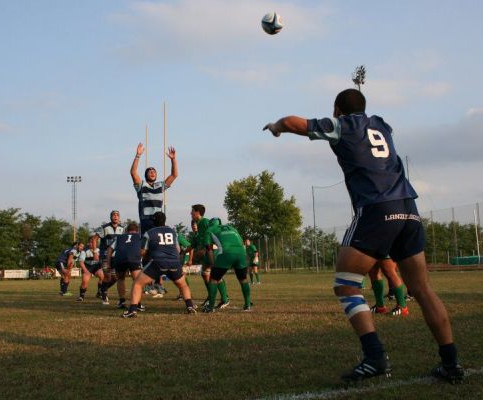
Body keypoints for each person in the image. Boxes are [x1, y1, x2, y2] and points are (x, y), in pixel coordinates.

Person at [263, 88, 463, 383]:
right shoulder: (382, 124)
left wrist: (277, 127)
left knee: (346, 285)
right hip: (408, 208)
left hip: (376, 209)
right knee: (422, 289)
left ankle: (374, 357)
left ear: (337, 109)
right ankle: (451, 363)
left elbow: (296, 123)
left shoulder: (343, 125)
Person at [122, 212, 196, 318]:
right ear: (165, 220)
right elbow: (178, 249)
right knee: (183, 284)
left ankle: (132, 310)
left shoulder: (150, 232)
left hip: (158, 262)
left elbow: (143, 252)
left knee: (137, 283)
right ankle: (190, 307)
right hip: (174, 262)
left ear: (153, 221)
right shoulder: (172, 232)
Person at [202, 218, 252, 312]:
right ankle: (247, 304)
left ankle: (210, 307)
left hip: (226, 253)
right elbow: (241, 243)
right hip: (241, 253)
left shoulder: (209, 230)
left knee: (214, 279)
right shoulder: (232, 228)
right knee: (243, 279)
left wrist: (212, 264)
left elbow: (209, 249)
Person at [130, 143, 178, 234]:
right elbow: (133, 173)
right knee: (147, 245)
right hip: (146, 221)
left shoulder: (160, 185)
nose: (153, 173)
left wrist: (173, 159)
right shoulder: (141, 185)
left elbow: (174, 175)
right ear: (146, 175)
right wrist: (138, 156)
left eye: (154, 172)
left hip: (159, 221)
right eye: (150, 172)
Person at [189, 204, 229, 308]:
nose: (191, 213)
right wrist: (184, 252)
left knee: (214, 274)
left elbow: (212, 235)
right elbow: (194, 243)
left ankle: (224, 298)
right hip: (208, 250)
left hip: (213, 249)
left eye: (192, 211)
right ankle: (212, 297)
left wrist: (204, 249)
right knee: (205, 273)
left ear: (198, 212)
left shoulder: (205, 222)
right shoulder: (199, 225)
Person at [108, 222, 145, 310]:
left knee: (120, 280)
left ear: (127, 231)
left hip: (120, 259)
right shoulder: (140, 237)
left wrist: (108, 263)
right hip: (133, 259)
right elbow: (143, 250)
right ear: (137, 231)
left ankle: (122, 301)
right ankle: (138, 303)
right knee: (137, 282)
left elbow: (110, 249)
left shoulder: (119, 237)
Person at [92, 210, 124, 305]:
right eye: (113, 215)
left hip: (117, 256)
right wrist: (95, 252)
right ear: (110, 217)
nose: (115, 217)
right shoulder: (104, 228)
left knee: (115, 278)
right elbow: (94, 239)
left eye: (117, 215)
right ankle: (104, 296)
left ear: (119, 217)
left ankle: (102, 290)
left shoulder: (122, 229)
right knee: (107, 276)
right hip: (105, 256)